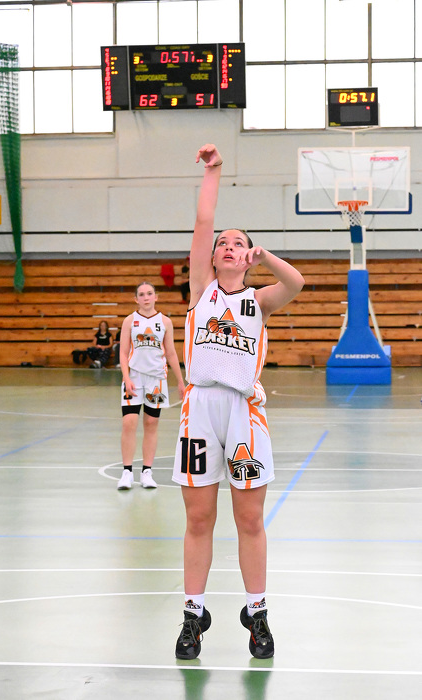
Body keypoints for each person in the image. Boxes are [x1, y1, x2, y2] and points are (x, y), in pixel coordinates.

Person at [172, 144, 305, 660]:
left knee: (249, 520)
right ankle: (193, 614)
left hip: (244, 413)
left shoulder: (259, 300)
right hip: (200, 411)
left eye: (238, 243)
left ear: (247, 256)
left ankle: (257, 612)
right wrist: (214, 171)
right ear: (211, 258)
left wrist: (265, 256)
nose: (228, 246)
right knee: (199, 518)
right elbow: (204, 220)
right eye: (223, 244)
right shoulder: (201, 290)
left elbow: (296, 282)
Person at [117, 281, 185, 490]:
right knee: (129, 422)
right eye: (141, 294)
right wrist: (126, 377)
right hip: (134, 378)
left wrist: (180, 381)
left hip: (156, 379)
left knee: (151, 423)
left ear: (156, 297)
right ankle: (127, 472)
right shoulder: (130, 321)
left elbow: (171, 353)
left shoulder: (165, 322)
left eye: (149, 293)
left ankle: (147, 471)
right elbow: (123, 352)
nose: (146, 297)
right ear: (136, 299)